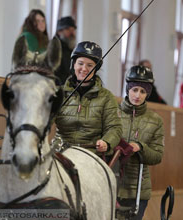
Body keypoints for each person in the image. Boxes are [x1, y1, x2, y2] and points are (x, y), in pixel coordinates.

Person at [52, 41, 122, 158]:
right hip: (60, 151)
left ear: (96, 68)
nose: (84, 69)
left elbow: (114, 128)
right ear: (73, 64)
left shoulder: (107, 97)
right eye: (80, 63)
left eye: (90, 65)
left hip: (91, 154)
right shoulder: (58, 92)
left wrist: (106, 142)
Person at [117, 65, 164, 220]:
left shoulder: (155, 121)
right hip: (112, 185)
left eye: (143, 91)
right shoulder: (113, 113)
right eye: (134, 89)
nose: (137, 95)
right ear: (128, 90)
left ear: (148, 94)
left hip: (137, 190)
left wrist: (141, 147)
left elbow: (157, 156)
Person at [54, 16, 77, 85]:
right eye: (68, 29)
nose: (72, 33)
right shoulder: (55, 49)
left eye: (73, 30)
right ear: (59, 31)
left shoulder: (71, 49)